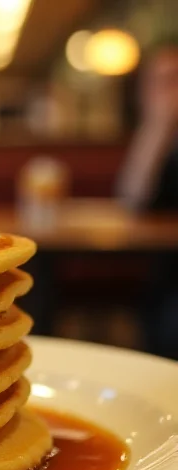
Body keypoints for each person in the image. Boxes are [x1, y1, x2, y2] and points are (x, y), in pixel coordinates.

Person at [116, 40, 178, 358]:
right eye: (161, 81)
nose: (170, 91)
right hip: (162, 269)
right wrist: (159, 125)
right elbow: (131, 197)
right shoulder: (155, 136)